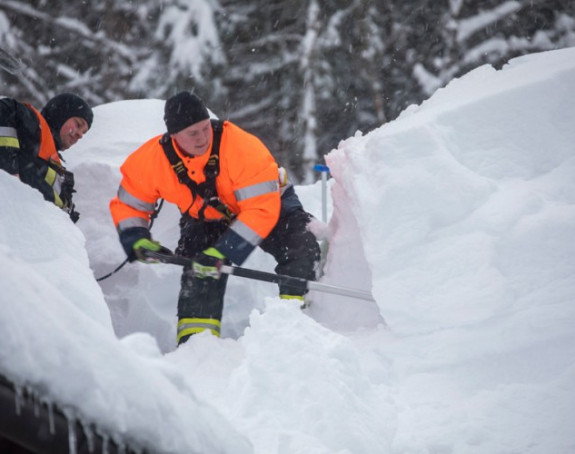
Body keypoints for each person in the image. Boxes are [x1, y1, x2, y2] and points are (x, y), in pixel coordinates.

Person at [110, 91, 320, 345]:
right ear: (173, 136)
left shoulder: (243, 148)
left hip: (271, 203)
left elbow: (260, 211)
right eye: (192, 133)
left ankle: (297, 327)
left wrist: (225, 250)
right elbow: (129, 204)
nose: (202, 138)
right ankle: (197, 345)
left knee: (300, 246)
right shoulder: (152, 160)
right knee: (200, 268)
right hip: (206, 217)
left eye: (204, 128)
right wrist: (136, 238)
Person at [0, 93, 93, 222]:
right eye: (78, 124)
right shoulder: (33, 125)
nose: (80, 135)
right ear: (61, 115)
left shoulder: (53, 164)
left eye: (84, 132)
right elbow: (4, 108)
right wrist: (9, 170)